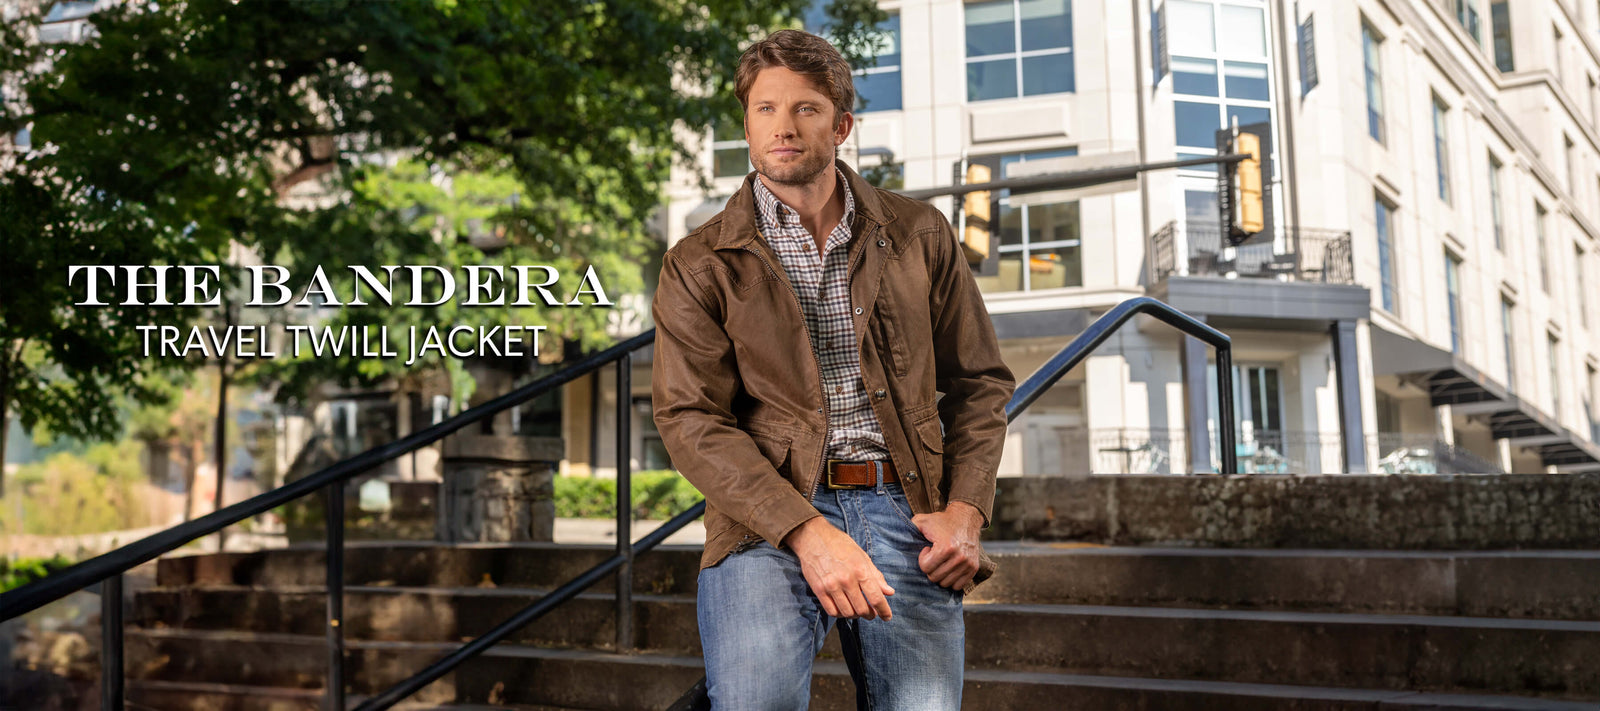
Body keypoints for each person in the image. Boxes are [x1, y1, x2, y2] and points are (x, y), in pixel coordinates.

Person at [651, 29, 1015, 711]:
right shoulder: (699, 262)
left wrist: (965, 510)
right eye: (765, 109)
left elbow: (980, 382)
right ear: (747, 125)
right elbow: (690, 417)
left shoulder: (918, 234)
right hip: (767, 513)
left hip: (907, 505)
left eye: (805, 109)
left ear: (842, 125)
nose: (783, 127)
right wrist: (807, 531)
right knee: (755, 702)